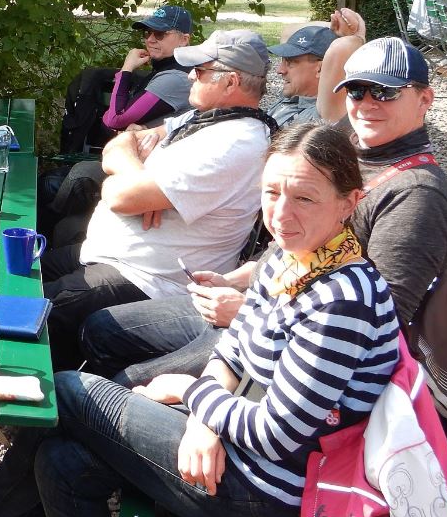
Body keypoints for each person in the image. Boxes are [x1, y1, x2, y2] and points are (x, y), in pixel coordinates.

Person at [0, 123, 401, 517]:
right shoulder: (289, 257)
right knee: (61, 460)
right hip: (228, 444)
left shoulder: (343, 301)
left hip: (267, 492)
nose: (281, 212)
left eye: (305, 198)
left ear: (349, 202)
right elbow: (233, 349)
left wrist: (191, 394)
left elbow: (278, 435)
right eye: (271, 192)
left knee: (68, 389)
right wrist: (203, 422)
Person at [80, 33, 447, 394]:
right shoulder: (352, 147)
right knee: (102, 329)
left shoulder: (416, 195)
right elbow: (293, 244)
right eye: (357, 90)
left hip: (303, 352)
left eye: (385, 91)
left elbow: (377, 325)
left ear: (425, 99)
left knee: (123, 383)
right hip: (262, 305)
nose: (367, 104)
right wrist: (235, 279)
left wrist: (248, 310)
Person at [42, 29, 276, 371]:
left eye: (202, 70)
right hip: (110, 256)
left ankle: (36, 415)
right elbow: (120, 140)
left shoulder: (236, 142)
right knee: (20, 274)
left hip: (148, 280)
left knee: (40, 312)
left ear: (231, 82)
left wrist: (132, 184)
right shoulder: (200, 119)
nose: (191, 76)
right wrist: (139, 175)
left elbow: (121, 195)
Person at [40, 6, 195, 243]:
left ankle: (40, 243)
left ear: (185, 40)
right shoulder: (164, 71)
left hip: (147, 166)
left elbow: (114, 119)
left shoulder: (175, 78)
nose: (151, 39)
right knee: (51, 182)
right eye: (147, 34)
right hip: (133, 157)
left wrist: (126, 69)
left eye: (160, 34)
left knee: (50, 184)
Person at [263, 24, 336, 126]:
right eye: (282, 61)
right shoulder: (293, 95)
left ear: (320, 69)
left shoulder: (319, 117)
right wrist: (334, 28)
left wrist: (353, 35)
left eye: (290, 62)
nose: (280, 70)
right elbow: (288, 30)